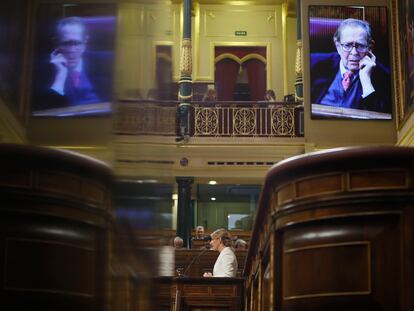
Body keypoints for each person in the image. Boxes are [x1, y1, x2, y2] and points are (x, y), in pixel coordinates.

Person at [310, 18, 391, 114]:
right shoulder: (314, 64)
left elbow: (380, 119)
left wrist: (366, 81)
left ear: (370, 47)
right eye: (347, 45)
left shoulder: (385, 76)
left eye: (360, 46)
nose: (354, 53)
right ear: (338, 46)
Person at [34, 16, 112, 110]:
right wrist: (60, 77)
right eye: (66, 43)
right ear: (56, 43)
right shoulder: (42, 71)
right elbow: (46, 111)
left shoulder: (103, 63)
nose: (72, 50)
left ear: (85, 42)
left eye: (77, 43)